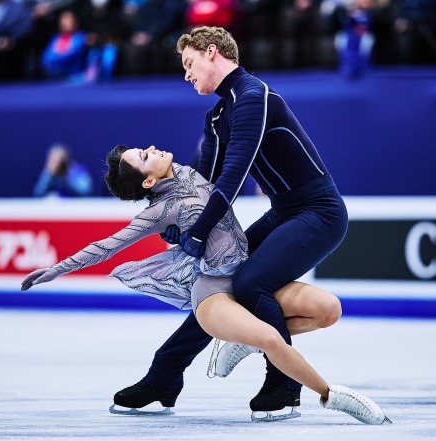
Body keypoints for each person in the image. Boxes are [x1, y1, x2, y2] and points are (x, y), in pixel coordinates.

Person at [21, 144, 391, 425]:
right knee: (270, 338)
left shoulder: (191, 171)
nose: (152, 149)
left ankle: (210, 354)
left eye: (145, 148)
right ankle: (330, 394)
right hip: (214, 292)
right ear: (149, 181)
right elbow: (108, 245)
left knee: (329, 310)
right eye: (145, 157)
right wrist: (56, 269)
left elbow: (223, 150)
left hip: (245, 272)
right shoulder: (158, 210)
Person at [112, 26, 351, 421]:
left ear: (211, 54)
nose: (186, 75)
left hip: (319, 212)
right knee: (215, 289)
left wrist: (200, 233)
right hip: (284, 212)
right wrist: (182, 224)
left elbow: (233, 176)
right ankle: (164, 376)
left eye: (189, 64)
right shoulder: (218, 115)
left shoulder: (253, 96)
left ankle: (285, 386)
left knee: (249, 284)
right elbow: (201, 190)